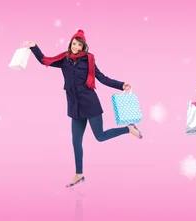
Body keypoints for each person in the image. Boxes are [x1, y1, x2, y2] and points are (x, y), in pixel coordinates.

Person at [24, 29, 143, 188]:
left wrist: (121, 85)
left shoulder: (89, 60)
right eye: (74, 43)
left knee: (100, 137)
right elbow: (45, 60)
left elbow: (102, 78)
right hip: (75, 107)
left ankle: (128, 129)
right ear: (70, 44)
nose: (75, 47)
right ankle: (79, 174)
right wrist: (34, 47)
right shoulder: (64, 59)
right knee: (76, 142)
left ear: (83, 47)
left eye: (79, 45)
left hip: (90, 104)